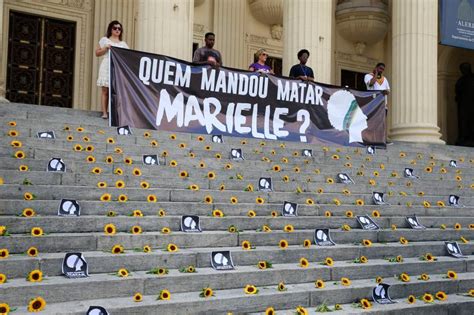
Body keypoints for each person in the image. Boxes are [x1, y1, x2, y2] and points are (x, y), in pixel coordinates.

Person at [96, 20, 129, 119]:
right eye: (115, 28)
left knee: (116, 90)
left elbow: (128, 56)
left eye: (119, 28)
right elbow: (97, 53)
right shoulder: (105, 40)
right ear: (111, 29)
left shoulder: (123, 44)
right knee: (105, 90)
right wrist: (105, 48)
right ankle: (105, 113)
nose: (117, 30)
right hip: (106, 65)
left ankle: (116, 113)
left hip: (117, 67)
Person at [365, 62, 391, 144]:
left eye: (383, 69)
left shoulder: (385, 79)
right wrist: (375, 74)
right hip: (373, 103)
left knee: (382, 122)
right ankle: (369, 138)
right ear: (376, 67)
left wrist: (384, 92)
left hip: (383, 103)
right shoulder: (368, 76)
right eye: (380, 68)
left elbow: (388, 91)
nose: (381, 70)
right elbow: (371, 83)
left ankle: (383, 139)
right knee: (372, 121)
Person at [455, 62, 474, 146]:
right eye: (462, 69)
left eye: (465, 68)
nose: (463, 71)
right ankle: (464, 138)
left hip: (472, 105)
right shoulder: (461, 80)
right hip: (463, 105)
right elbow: (457, 92)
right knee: (463, 122)